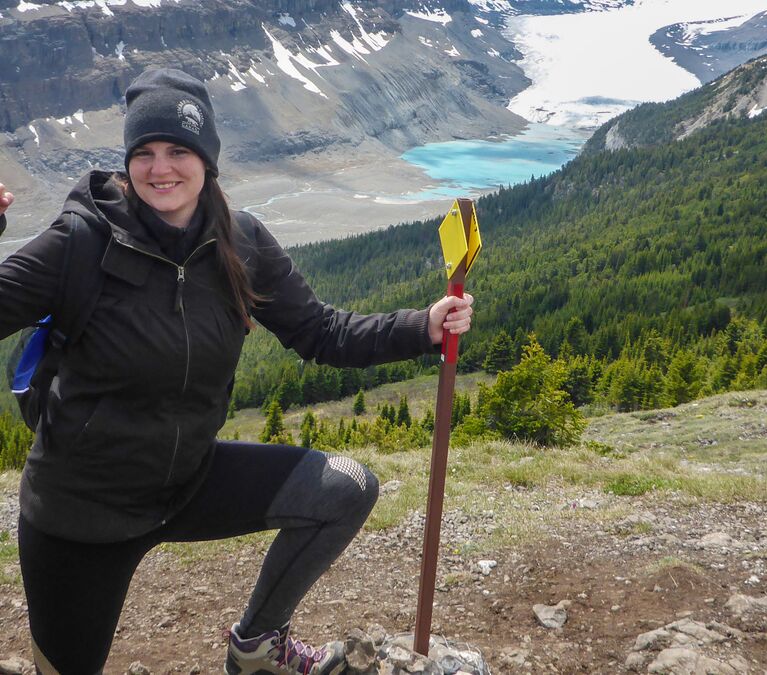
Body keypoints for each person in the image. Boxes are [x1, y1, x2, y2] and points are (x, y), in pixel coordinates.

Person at [0, 68, 473, 675]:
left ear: (207, 159)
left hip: (187, 483)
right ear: (126, 162)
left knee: (345, 489)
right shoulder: (81, 242)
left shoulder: (240, 242)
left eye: (178, 150)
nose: (159, 168)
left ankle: (257, 647)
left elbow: (320, 331)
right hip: (81, 515)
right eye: (143, 152)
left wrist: (422, 327)